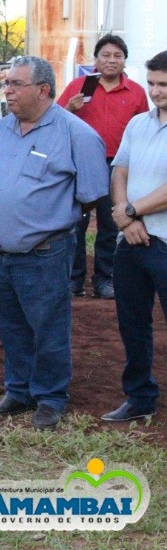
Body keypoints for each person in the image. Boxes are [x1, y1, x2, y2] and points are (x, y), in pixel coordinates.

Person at [0, 56, 108, 430]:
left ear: (43, 90)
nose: (8, 92)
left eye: (16, 84)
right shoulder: (1, 130)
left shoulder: (76, 134)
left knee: (48, 328)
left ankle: (50, 397)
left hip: (46, 252)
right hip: (1, 255)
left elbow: (91, 194)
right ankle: (19, 391)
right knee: (12, 325)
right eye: (6, 84)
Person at [57, 34, 149, 299]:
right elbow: (55, 119)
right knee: (76, 223)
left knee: (111, 223)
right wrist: (70, 108)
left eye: (117, 56)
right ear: (95, 60)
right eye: (106, 55)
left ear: (124, 62)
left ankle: (104, 279)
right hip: (81, 163)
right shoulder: (79, 86)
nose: (111, 61)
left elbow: (142, 130)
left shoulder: (136, 92)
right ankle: (73, 280)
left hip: (118, 166)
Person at [103, 50, 167, 422]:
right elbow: (119, 172)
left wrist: (130, 211)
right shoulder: (138, 124)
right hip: (131, 242)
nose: (157, 92)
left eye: (164, 85)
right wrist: (127, 222)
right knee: (132, 325)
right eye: (153, 83)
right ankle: (140, 397)